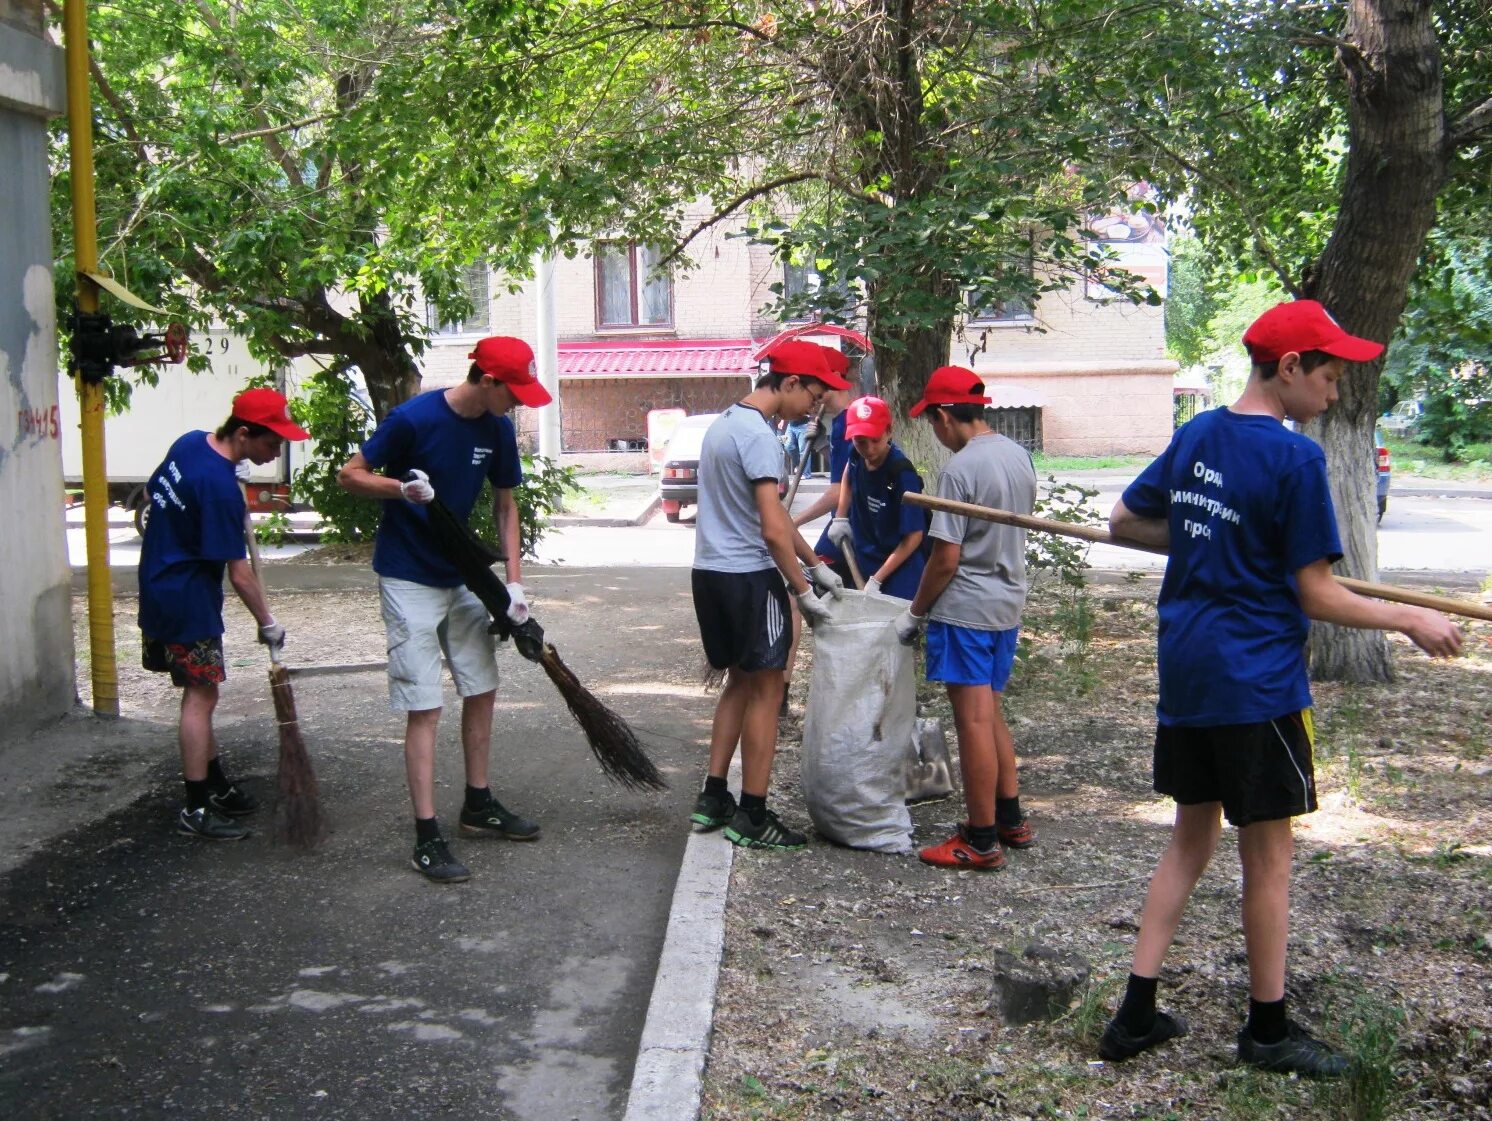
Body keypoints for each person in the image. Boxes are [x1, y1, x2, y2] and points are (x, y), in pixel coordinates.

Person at [1098, 299, 1463, 1076]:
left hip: (1189, 672)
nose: (1335, 392)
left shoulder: (1196, 435)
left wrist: (1213, 536)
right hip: (1256, 682)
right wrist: (1406, 617)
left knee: (1189, 838)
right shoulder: (1294, 459)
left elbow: (1124, 521)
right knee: (1268, 859)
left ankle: (1133, 1013)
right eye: (1329, 375)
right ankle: (1267, 1031)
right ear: (1289, 368)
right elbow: (1319, 595)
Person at [337, 336, 552, 884]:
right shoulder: (414, 419)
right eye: (516, 391)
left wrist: (515, 584)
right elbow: (350, 474)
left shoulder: (497, 430)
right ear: (488, 380)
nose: (521, 402)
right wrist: (400, 488)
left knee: (481, 687)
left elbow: (507, 506)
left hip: (462, 575)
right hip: (408, 575)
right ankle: (426, 836)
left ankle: (477, 805)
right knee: (424, 705)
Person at [689, 339, 851, 850]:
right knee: (769, 688)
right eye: (814, 396)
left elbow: (777, 520)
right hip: (749, 578)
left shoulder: (724, 424)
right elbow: (772, 530)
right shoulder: (760, 438)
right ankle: (753, 815)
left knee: (739, 681)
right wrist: (804, 593)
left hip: (711, 573)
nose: (816, 407)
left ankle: (714, 797)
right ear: (789, 384)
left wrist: (814, 563)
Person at [137, 387, 310, 841]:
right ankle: (196, 808)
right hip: (186, 601)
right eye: (272, 443)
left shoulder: (190, 442)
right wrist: (268, 622)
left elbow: (157, 491)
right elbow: (240, 574)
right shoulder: (219, 490)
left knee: (199, 691)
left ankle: (215, 784)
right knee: (201, 696)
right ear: (244, 433)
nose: (277, 452)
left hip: (157, 581)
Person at [893, 366, 1038, 869]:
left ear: (943, 415)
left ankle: (980, 840)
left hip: (968, 610)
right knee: (989, 712)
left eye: (931, 422)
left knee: (973, 721)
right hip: (1006, 604)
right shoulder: (1018, 456)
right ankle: (1010, 818)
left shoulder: (960, 471)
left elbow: (946, 557)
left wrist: (915, 612)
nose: (935, 432)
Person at [828, 395, 927, 599]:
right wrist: (840, 516)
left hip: (899, 570)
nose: (869, 449)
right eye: (861, 442)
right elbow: (850, 468)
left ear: (889, 431)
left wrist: (878, 579)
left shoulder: (901, 474)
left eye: (875, 440)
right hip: (866, 556)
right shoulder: (857, 454)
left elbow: (915, 536)